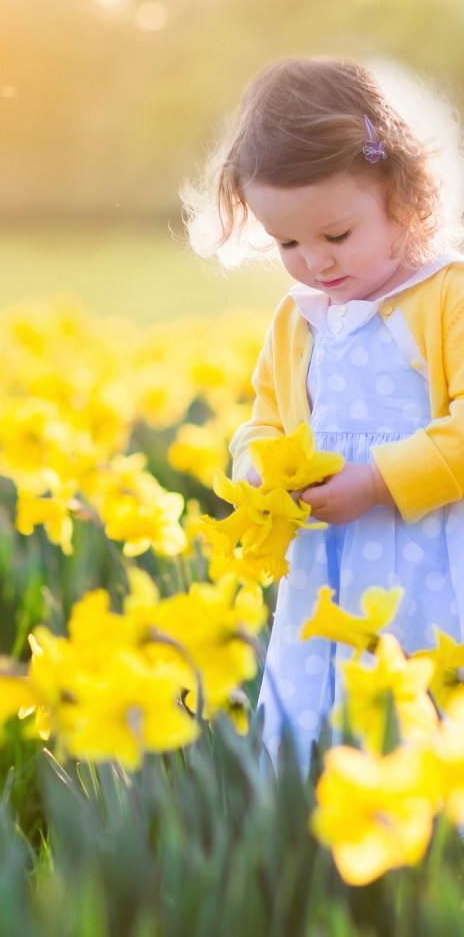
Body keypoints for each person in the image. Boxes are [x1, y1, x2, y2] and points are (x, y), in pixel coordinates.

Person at [184, 56, 464, 775]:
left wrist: (378, 482)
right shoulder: (300, 316)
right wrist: (257, 469)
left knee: (421, 712)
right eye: (287, 243)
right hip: (325, 566)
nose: (314, 262)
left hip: (431, 558)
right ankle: (316, 819)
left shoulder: (447, 296)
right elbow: (267, 420)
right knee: (319, 712)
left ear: (405, 197)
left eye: (336, 236)